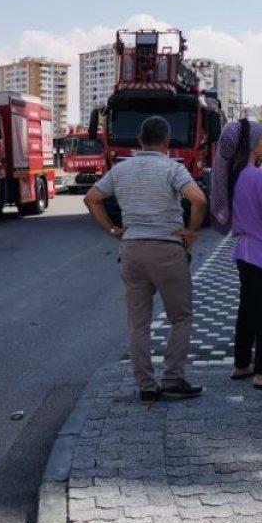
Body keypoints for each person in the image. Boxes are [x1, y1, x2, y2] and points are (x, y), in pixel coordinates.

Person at [84, 116, 207, 402]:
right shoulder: (172, 169)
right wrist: (191, 232)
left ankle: (146, 386)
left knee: (138, 322)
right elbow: (199, 200)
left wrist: (113, 229)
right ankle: (173, 379)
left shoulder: (121, 169)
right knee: (181, 316)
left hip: (131, 250)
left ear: (140, 140)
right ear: (167, 141)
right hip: (167, 249)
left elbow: (91, 198)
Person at [212, 119, 262, 392]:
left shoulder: (234, 176)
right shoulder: (260, 176)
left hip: (243, 249)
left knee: (247, 308)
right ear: (249, 145)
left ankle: (242, 363)